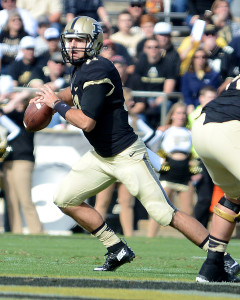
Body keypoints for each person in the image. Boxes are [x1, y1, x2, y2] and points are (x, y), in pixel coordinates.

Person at [30, 16, 240, 275]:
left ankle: (222, 257)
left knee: (164, 214)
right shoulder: (82, 68)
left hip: (126, 154)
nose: (72, 45)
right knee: (64, 199)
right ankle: (115, 248)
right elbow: (73, 91)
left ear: (93, 43)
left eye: (79, 40)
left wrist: (56, 106)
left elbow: (86, 123)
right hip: (101, 156)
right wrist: (50, 98)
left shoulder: (98, 70)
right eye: (70, 39)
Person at [192, 74, 240, 282]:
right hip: (229, 127)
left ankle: (212, 267)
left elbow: (225, 88)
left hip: (202, 126)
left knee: (233, 196)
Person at [147, 102, 197, 237]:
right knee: (160, 207)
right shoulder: (165, 130)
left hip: (185, 170)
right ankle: (150, 238)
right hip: (169, 170)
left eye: (184, 114)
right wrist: (158, 133)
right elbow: (149, 144)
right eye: (178, 113)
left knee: (188, 210)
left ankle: (191, 239)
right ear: (172, 115)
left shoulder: (189, 132)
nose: (181, 116)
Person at [1, 86, 43, 234]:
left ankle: (37, 232)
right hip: (8, 161)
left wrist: (19, 96)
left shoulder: (29, 116)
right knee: (11, 201)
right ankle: (16, 232)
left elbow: (7, 113)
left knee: (25, 200)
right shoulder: (11, 115)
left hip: (23, 161)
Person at [188, 86, 217, 228]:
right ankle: (199, 230)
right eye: (209, 97)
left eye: (214, 97)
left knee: (209, 197)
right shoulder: (197, 115)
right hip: (199, 159)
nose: (212, 100)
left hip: (212, 159)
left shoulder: (214, 113)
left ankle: (203, 230)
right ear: (201, 98)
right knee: (204, 197)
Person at [180, 48, 222, 114]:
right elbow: (186, 93)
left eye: (203, 57)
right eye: (197, 57)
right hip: (192, 105)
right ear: (193, 59)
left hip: (208, 105)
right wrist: (190, 104)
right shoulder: (187, 76)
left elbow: (214, 91)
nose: (201, 59)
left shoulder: (214, 75)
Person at [0, 9, 27, 74]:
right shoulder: (3, 35)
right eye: (13, 20)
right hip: (3, 65)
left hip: (18, 67)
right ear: (8, 23)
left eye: (19, 19)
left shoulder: (25, 36)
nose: (17, 22)